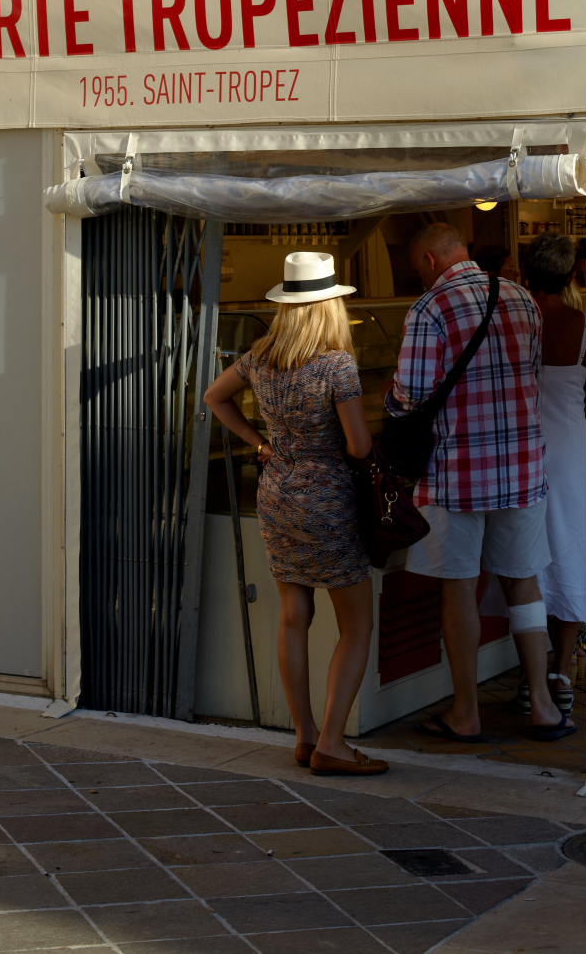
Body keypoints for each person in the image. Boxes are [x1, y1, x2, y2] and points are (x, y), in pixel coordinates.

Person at [204, 251, 387, 777]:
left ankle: (305, 737)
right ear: (330, 306)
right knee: (356, 624)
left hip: (277, 493)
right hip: (328, 499)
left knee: (293, 617)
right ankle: (332, 743)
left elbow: (215, 396)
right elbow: (358, 446)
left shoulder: (260, 356)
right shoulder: (336, 364)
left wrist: (260, 443)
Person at [388, 223, 574, 742]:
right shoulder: (521, 298)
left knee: (459, 588)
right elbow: (531, 375)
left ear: (429, 261)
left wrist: (389, 399)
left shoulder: (429, 308)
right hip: (521, 467)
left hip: (457, 474)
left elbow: (410, 394)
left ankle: (465, 713)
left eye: (417, 269)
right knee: (524, 582)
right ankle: (542, 706)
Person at [520, 233, 586, 715]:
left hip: (523, 452)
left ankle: (532, 677)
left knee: (525, 563)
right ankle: (562, 670)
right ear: (569, 276)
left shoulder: (518, 323)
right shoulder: (584, 325)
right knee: (570, 554)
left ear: (527, 275)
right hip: (572, 453)